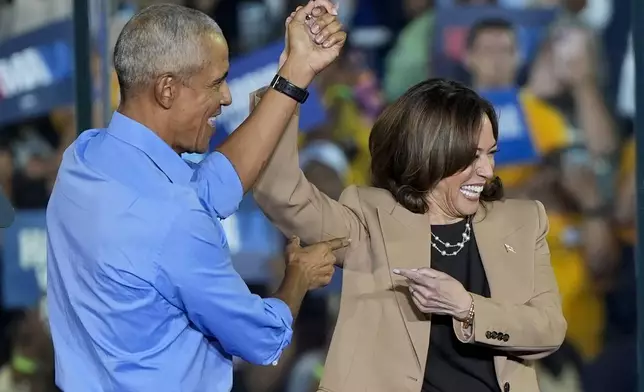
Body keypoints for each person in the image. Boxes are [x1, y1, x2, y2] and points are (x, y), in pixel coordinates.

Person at [46, 2, 347, 391]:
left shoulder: (84, 157)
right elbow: (261, 338)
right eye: (216, 82)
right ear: (167, 89)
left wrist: (295, 70)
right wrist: (298, 278)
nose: (226, 97)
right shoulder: (172, 220)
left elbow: (211, 187)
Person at [253, 78, 566, 392]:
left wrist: (468, 308)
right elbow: (283, 195)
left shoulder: (523, 222)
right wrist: (289, 87)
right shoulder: (371, 218)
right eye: (472, 157)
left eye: (490, 154)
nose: (486, 170)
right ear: (431, 153)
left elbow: (549, 329)